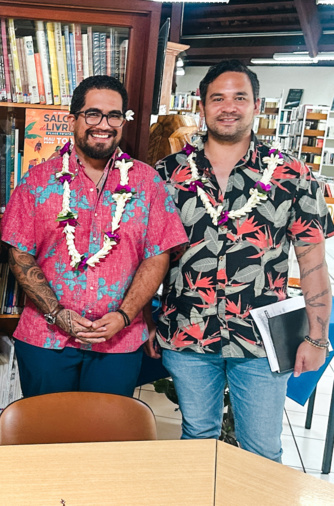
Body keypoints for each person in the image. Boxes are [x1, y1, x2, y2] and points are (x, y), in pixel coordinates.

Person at [155, 59, 333, 462]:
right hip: (187, 331)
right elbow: (153, 259)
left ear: (257, 105)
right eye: (218, 98)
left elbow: (313, 265)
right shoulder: (167, 175)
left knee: (261, 450)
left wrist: (317, 338)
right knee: (197, 439)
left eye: (240, 97)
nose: (229, 106)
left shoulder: (293, 175)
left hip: (263, 340)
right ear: (202, 105)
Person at [1, 75, 187, 398]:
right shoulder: (37, 181)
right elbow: (19, 253)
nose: (104, 124)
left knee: (105, 442)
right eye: (93, 114)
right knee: (47, 437)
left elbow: (158, 255)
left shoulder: (147, 183)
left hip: (117, 342)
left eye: (114, 115)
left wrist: (124, 315)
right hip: (46, 340)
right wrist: (57, 314)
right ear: (73, 119)